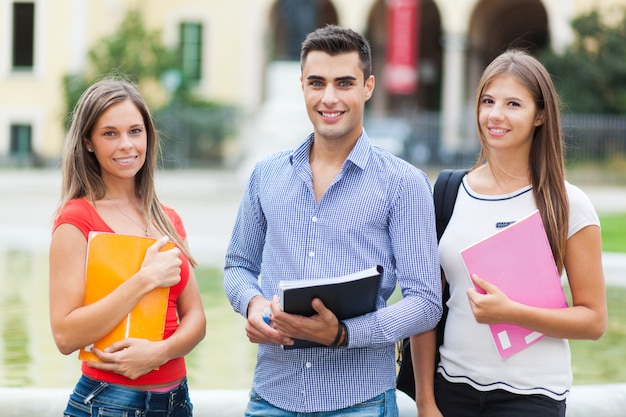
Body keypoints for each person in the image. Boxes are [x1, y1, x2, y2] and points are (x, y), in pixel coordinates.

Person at [223, 24, 442, 416]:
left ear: (368, 87)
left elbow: (425, 303)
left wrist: (344, 334)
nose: (329, 98)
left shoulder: (404, 183)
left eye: (344, 83)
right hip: (272, 396)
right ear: (302, 86)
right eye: (317, 83)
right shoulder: (265, 174)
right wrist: (253, 304)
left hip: (359, 402)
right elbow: (238, 266)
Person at [410, 49, 607, 417]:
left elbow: (593, 321)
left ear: (540, 115)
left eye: (513, 103)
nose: (495, 115)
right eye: (488, 101)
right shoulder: (448, 193)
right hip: (452, 391)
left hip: (532, 397)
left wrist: (512, 312)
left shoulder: (568, 204)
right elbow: (427, 305)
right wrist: (425, 402)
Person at [49, 78, 206, 417]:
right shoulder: (77, 219)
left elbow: (196, 319)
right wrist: (144, 279)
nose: (126, 145)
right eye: (110, 133)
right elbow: (64, 335)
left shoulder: (168, 219)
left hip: (176, 401)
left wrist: (159, 353)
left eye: (135, 131)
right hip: (107, 401)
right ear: (88, 142)